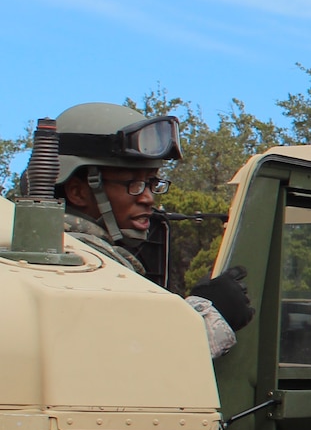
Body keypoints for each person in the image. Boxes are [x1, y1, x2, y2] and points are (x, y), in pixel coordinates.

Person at [54, 102, 253, 359]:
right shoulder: (70, 264)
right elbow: (127, 358)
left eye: (152, 183)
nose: (148, 198)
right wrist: (210, 316)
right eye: (134, 184)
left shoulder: (86, 256)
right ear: (78, 191)